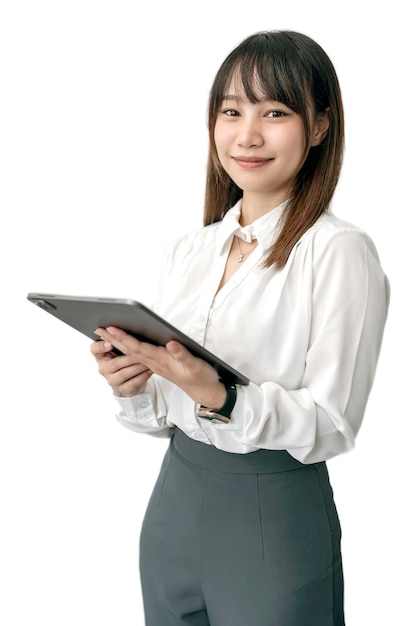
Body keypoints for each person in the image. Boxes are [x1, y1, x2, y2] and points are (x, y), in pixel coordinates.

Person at [91, 30, 389, 626]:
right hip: (174, 501)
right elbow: (163, 409)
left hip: (272, 511)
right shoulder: (189, 250)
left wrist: (220, 395)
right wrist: (134, 385)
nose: (247, 135)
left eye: (275, 112)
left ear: (321, 126)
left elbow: (332, 425)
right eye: (232, 112)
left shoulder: (338, 252)